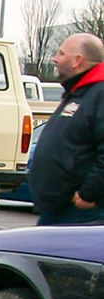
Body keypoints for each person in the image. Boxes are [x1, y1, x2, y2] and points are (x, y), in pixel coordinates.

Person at [29, 33, 104, 225]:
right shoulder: (79, 93)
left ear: (77, 60)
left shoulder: (98, 94)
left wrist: (88, 193)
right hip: (58, 208)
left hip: (81, 213)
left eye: (61, 54)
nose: (54, 58)